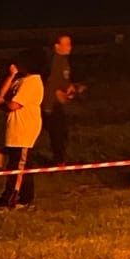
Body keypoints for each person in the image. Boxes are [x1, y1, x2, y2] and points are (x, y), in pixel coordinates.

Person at [0, 57, 44, 210]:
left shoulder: (33, 82)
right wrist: (11, 76)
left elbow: (14, 104)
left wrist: (4, 104)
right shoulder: (21, 80)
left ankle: (10, 198)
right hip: (14, 129)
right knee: (20, 165)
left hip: (24, 128)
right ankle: (25, 199)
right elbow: (0, 98)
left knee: (19, 166)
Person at [41, 33, 81, 167]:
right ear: (57, 46)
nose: (70, 47)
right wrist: (50, 103)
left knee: (60, 132)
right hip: (50, 104)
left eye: (70, 43)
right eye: (66, 44)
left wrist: (69, 87)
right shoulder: (55, 61)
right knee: (57, 132)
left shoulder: (64, 60)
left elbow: (62, 80)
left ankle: (59, 159)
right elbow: (51, 83)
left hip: (56, 104)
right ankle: (58, 161)